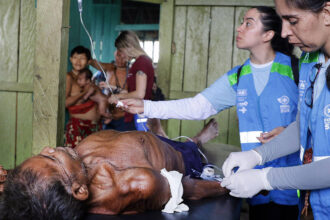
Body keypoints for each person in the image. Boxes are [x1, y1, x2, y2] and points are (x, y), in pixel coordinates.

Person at [121, 6, 300, 220]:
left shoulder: (296, 70)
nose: (239, 27)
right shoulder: (240, 76)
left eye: (248, 23)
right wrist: (147, 107)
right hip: (254, 185)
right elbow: (197, 106)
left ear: (268, 34)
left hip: (292, 183)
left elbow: (314, 122)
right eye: (242, 22)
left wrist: (290, 132)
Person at [220, 0, 330, 219]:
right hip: (314, 207)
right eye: (282, 20)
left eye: (292, 20)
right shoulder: (310, 61)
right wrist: (257, 156)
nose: (284, 32)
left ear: (326, 13)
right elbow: (302, 125)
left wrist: (266, 178)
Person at [0, 120, 227, 220]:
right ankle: (197, 141)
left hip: (143, 142)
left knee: (157, 139)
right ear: (79, 191)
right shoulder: (136, 183)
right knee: (190, 149)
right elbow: (190, 188)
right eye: (51, 159)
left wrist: (8, 178)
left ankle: (162, 134)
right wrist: (229, 186)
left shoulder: (63, 176)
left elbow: (31, 188)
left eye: (43, 153)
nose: (49, 148)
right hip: (177, 157)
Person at [108, 30, 155, 131]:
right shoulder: (141, 62)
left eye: (121, 51)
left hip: (139, 115)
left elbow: (140, 94)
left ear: (128, 47)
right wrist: (124, 94)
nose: (122, 56)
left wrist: (118, 96)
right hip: (135, 113)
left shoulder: (141, 62)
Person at [65, 46, 102, 148]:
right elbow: (65, 103)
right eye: (75, 57)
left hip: (94, 126)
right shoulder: (69, 77)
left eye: (82, 58)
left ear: (88, 61)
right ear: (70, 59)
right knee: (76, 159)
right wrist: (84, 92)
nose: (78, 61)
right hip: (78, 126)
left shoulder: (89, 77)